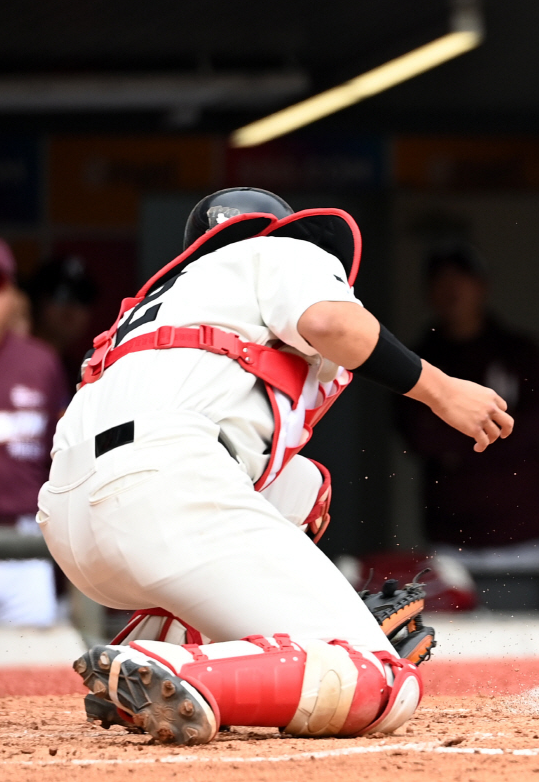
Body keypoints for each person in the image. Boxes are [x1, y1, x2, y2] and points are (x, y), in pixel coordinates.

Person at [38, 189, 513, 745]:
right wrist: (442, 391)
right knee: (381, 680)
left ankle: (174, 649)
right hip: (163, 491)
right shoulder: (278, 250)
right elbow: (333, 323)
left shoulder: (150, 307)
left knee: (303, 485)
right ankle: (185, 668)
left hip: (71, 526)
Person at [396, 244, 539, 570]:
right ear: (428, 291)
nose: (452, 289)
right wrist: (488, 434)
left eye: (462, 278)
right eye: (441, 280)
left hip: (523, 531)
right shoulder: (416, 359)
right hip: (449, 534)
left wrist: (461, 446)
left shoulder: (519, 351)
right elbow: (417, 436)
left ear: (483, 286)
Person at [0, 233, 68, 626]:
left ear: (13, 294)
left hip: (25, 548)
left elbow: (67, 458)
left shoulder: (41, 362)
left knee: (33, 678)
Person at [26, 255, 100, 378]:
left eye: (83, 297)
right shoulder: (10, 362)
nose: (72, 305)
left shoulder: (80, 372)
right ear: (36, 300)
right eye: (60, 294)